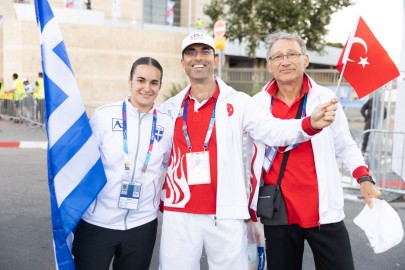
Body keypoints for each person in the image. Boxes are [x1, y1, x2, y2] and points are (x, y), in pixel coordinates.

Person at [158, 32, 338, 270]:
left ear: (215, 60)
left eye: (204, 51)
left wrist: (308, 124)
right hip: (178, 210)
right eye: (191, 52)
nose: (197, 57)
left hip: (226, 212)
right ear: (183, 63)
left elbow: (271, 130)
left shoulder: (240, 102)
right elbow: (156, 159)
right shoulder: (168, 109)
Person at [248, 31, 381, 270]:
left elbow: (345, 144)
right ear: (269, 65)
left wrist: (364, 177)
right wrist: (310, 124)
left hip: (324, 211)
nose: (285, 61)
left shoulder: (325, 98)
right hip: (279, 211)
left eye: (291, 54)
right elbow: (268, 135)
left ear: (305, 60)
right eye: (277, 56)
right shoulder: (257, 103)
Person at [72, 57, 173, 270]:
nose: (147, 88)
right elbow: (84, 164)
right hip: (98, 221)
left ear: (160, 86)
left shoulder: (167, 123)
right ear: (130, 81)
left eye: (154, 83)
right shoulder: (104, 116)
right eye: (141, 80)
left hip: (142, 224)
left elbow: (168, 165)